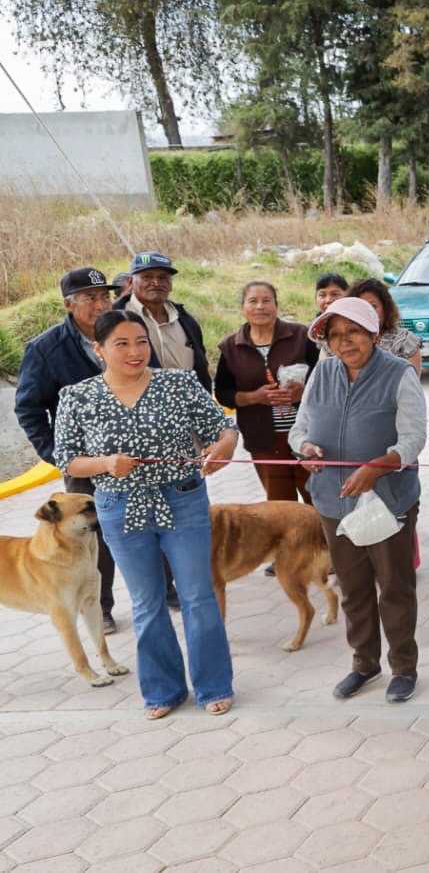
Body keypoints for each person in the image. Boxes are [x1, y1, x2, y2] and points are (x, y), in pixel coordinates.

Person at [53, 310, 239, 719]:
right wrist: (105, 463)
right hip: (120, 507)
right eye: (122, 343)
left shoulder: (179, 383)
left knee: (197, 595)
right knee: (146, 602)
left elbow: (222, 429)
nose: (135, 351)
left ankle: (213, 685)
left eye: (141, 341)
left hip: (183, 499)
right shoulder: (78, 396)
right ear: (98, 348)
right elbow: (66, 459)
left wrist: (225, 446)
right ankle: (163, 690)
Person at [290, 296, 428, 704]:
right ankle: (364, 664)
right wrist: (307, 450)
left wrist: (377, 467)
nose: (345, 342)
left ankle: (404, 667)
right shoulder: (323, 373)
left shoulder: (399, 373)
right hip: (334, 502)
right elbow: (300, 429)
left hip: (387, 501)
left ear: (372, 332)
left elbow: (413, 439)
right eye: (335, 335)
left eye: (353, 332)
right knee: (352, 588)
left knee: (395, 587)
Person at [13, 267, 122, 631]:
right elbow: (28, 407)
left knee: (151, 520)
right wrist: (58, 455)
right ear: (69, 304)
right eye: (90, 298)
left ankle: (167, 591)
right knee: (94, 536)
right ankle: (100, 607)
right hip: (85, 464)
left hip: (132, 455)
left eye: (104, 296)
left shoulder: (124, 331)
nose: (100, 304)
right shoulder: (46, 349)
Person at [214, 281, 318, 506]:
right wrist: (254, 397)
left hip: (308, 436)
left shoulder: (302, 336)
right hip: (264, 441)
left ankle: (323, 542)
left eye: (266, 300)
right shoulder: (231, 347)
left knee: (319, 502)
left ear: (276, 306)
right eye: (253, 301)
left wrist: (304, 392)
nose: (260, 306)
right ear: (243, 307)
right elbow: (223, 393)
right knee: (280, 507)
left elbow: (324, 378)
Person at [114, 251, 212, 394]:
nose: (156, 283)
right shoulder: (115, 318)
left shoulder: (185, 320)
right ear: (130, 282)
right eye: (147, 277)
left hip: (186, 407)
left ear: (170, 284)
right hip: (136, 407)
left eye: (163, 277)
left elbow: (201, 369)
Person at [348, 278, 423, 375]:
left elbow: (412, 385)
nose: (368, 312)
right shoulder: (342, 341)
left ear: (386, 308)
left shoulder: (405, 341)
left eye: (373, 306)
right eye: (361, 307)